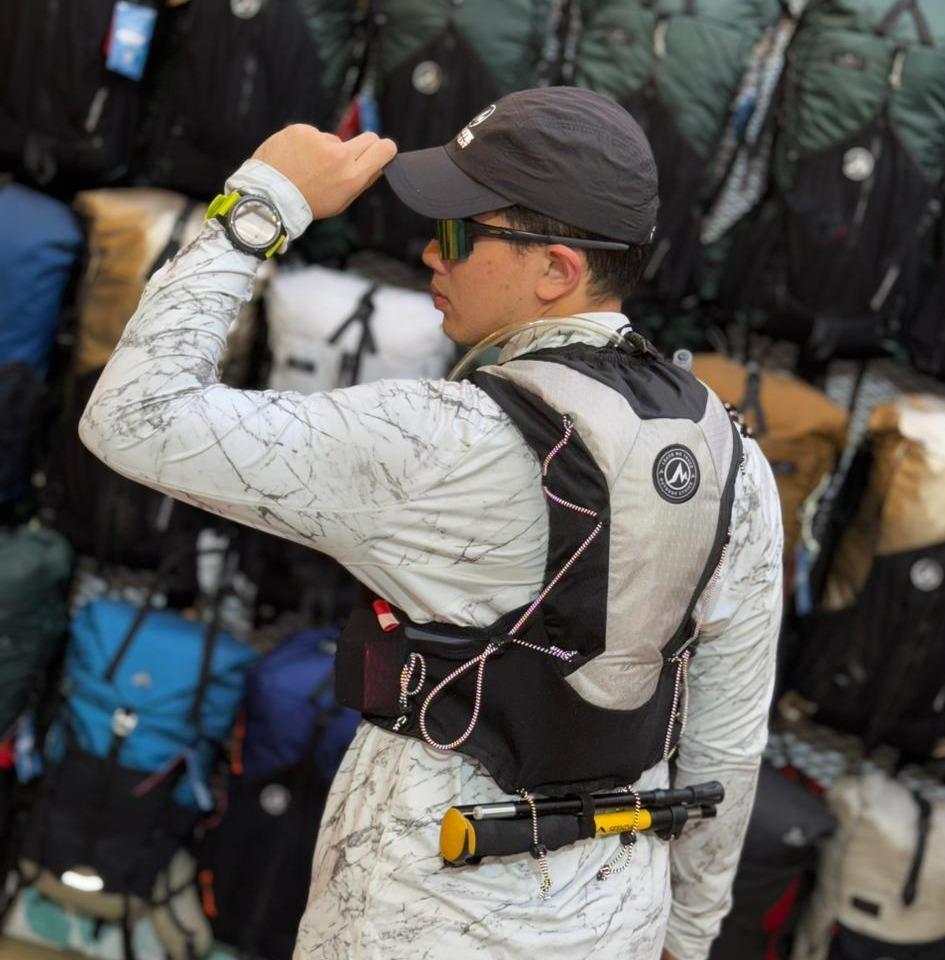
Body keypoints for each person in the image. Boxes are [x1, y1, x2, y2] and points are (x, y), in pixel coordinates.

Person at [80, 87, 783, 960]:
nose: (428, 253)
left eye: (457, 233)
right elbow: (725, 738)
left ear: (556, 270)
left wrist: (262, 202)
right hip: (617, 924)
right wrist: (688, 934)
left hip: (418, 916)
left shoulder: (443, 439)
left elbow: (135, 417)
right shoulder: (734, 457)